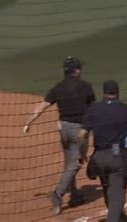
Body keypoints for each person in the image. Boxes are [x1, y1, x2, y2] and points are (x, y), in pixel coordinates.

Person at [23, 56, 95, 215]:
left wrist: (29, 122)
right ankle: (58, 193)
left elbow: (42, 105)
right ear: (76, 70)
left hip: (63, 129)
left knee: (69, 162)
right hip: (79, 130)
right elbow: (93, 111)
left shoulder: (58, 87)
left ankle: (75, 193)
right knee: (78, 162)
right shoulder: (86, 87)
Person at [79, 80, 127, 222]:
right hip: (118, 159)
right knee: (117, 197)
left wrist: (82, 154)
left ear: (103, 92)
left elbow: (81, 135)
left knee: (108, 191)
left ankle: (120, 218)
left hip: (99, 158)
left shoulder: (93, 109)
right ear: (117, 92)